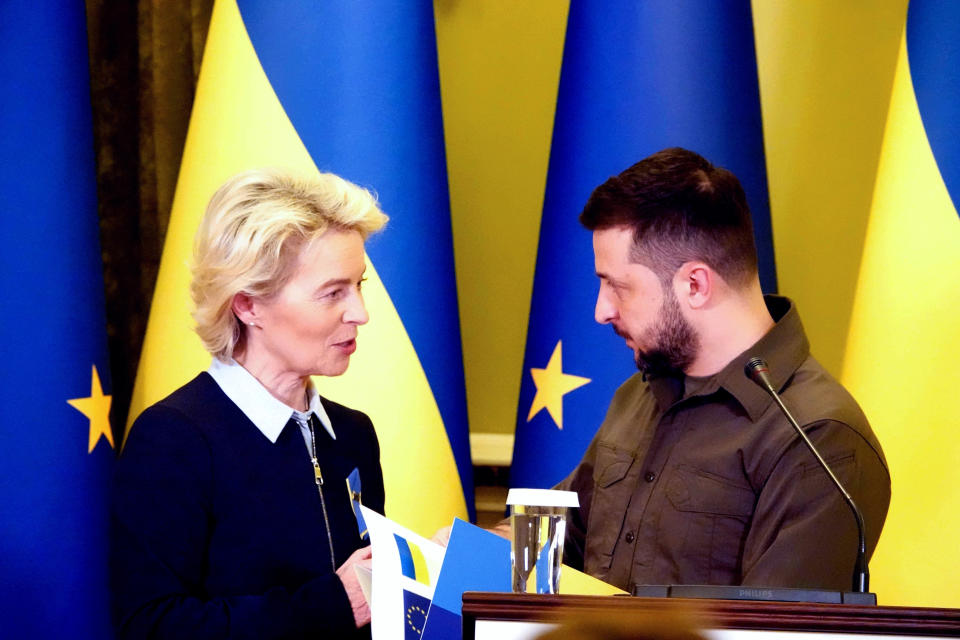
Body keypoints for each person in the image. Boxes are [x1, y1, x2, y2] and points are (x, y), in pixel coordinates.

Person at [558, 148, 890, 592]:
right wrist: (466, 552)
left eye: (618, 287)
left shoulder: (820, 439)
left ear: (695, 285)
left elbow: (773, 633)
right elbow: (556, 536)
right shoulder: (637, 396)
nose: (601, 310)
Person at [111, 169, 388, 638]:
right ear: (248, 305)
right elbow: (151, 626)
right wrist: (331, 604)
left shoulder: (353, 434)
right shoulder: (174, 438)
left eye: (359, 285)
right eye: (333, 293)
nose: (360, 313)